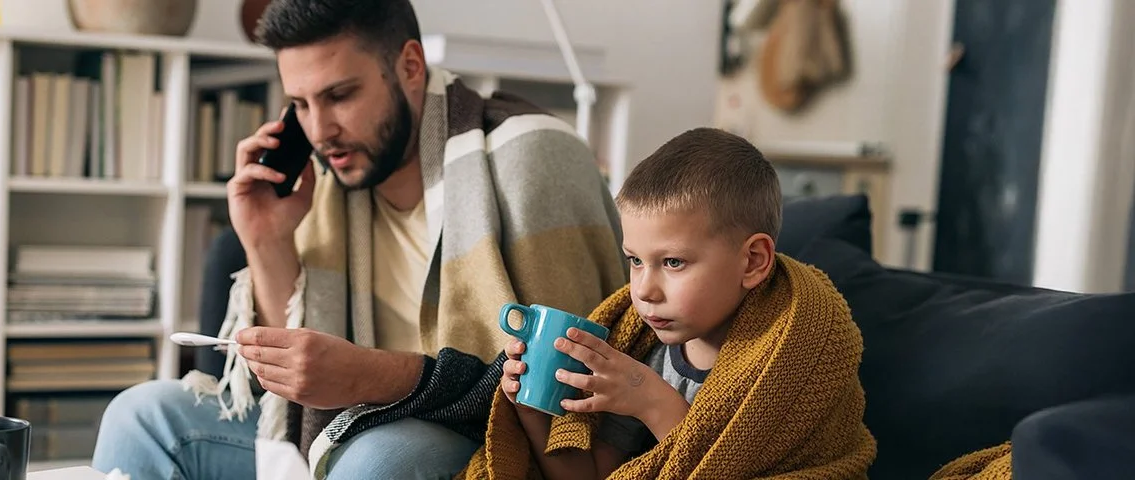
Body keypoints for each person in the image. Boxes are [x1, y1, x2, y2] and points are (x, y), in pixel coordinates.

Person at [90, 0, 628, 478]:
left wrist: (371, 377)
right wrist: (267, 241)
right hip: (343, 426)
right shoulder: (329, 185)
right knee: (143, 415)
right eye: (300, 104)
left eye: (340, 95)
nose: (320, 131)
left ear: (410, 66)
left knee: (379, 458)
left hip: (485, 441)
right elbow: (293, 403)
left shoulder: (531, 158)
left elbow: (565, 389)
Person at [466, 127, 878, 478]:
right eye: (635, 261)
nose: (645, 290)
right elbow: (593, 475)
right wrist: (533, 415)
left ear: (753, 261)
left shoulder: (792, 354)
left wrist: (651, 400)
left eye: (673, 262)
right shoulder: (646, 354)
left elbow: (729, 465)